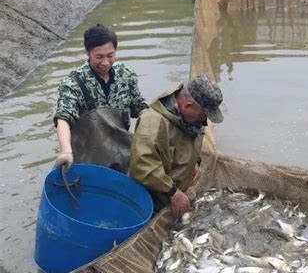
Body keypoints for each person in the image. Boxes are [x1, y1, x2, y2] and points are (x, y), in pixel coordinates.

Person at [54, 24, 148, 173]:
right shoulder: (73, 83)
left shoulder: (126, 75)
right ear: (87, 52)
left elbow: (140, 108)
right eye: (99, 57)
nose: (105, 63)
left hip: (121, 159)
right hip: (85, 162)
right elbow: (63, 118)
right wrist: (66, 152)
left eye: (110, 55)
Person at [130, 74, 223, 218]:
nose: (205, 120)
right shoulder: (152, 123)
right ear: (187, 106)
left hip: (177, 192)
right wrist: (173, 193)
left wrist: (195, 162)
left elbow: (194, 141)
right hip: (152, 201)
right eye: (204, 114)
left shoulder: (191, 119)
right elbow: (143, 167)